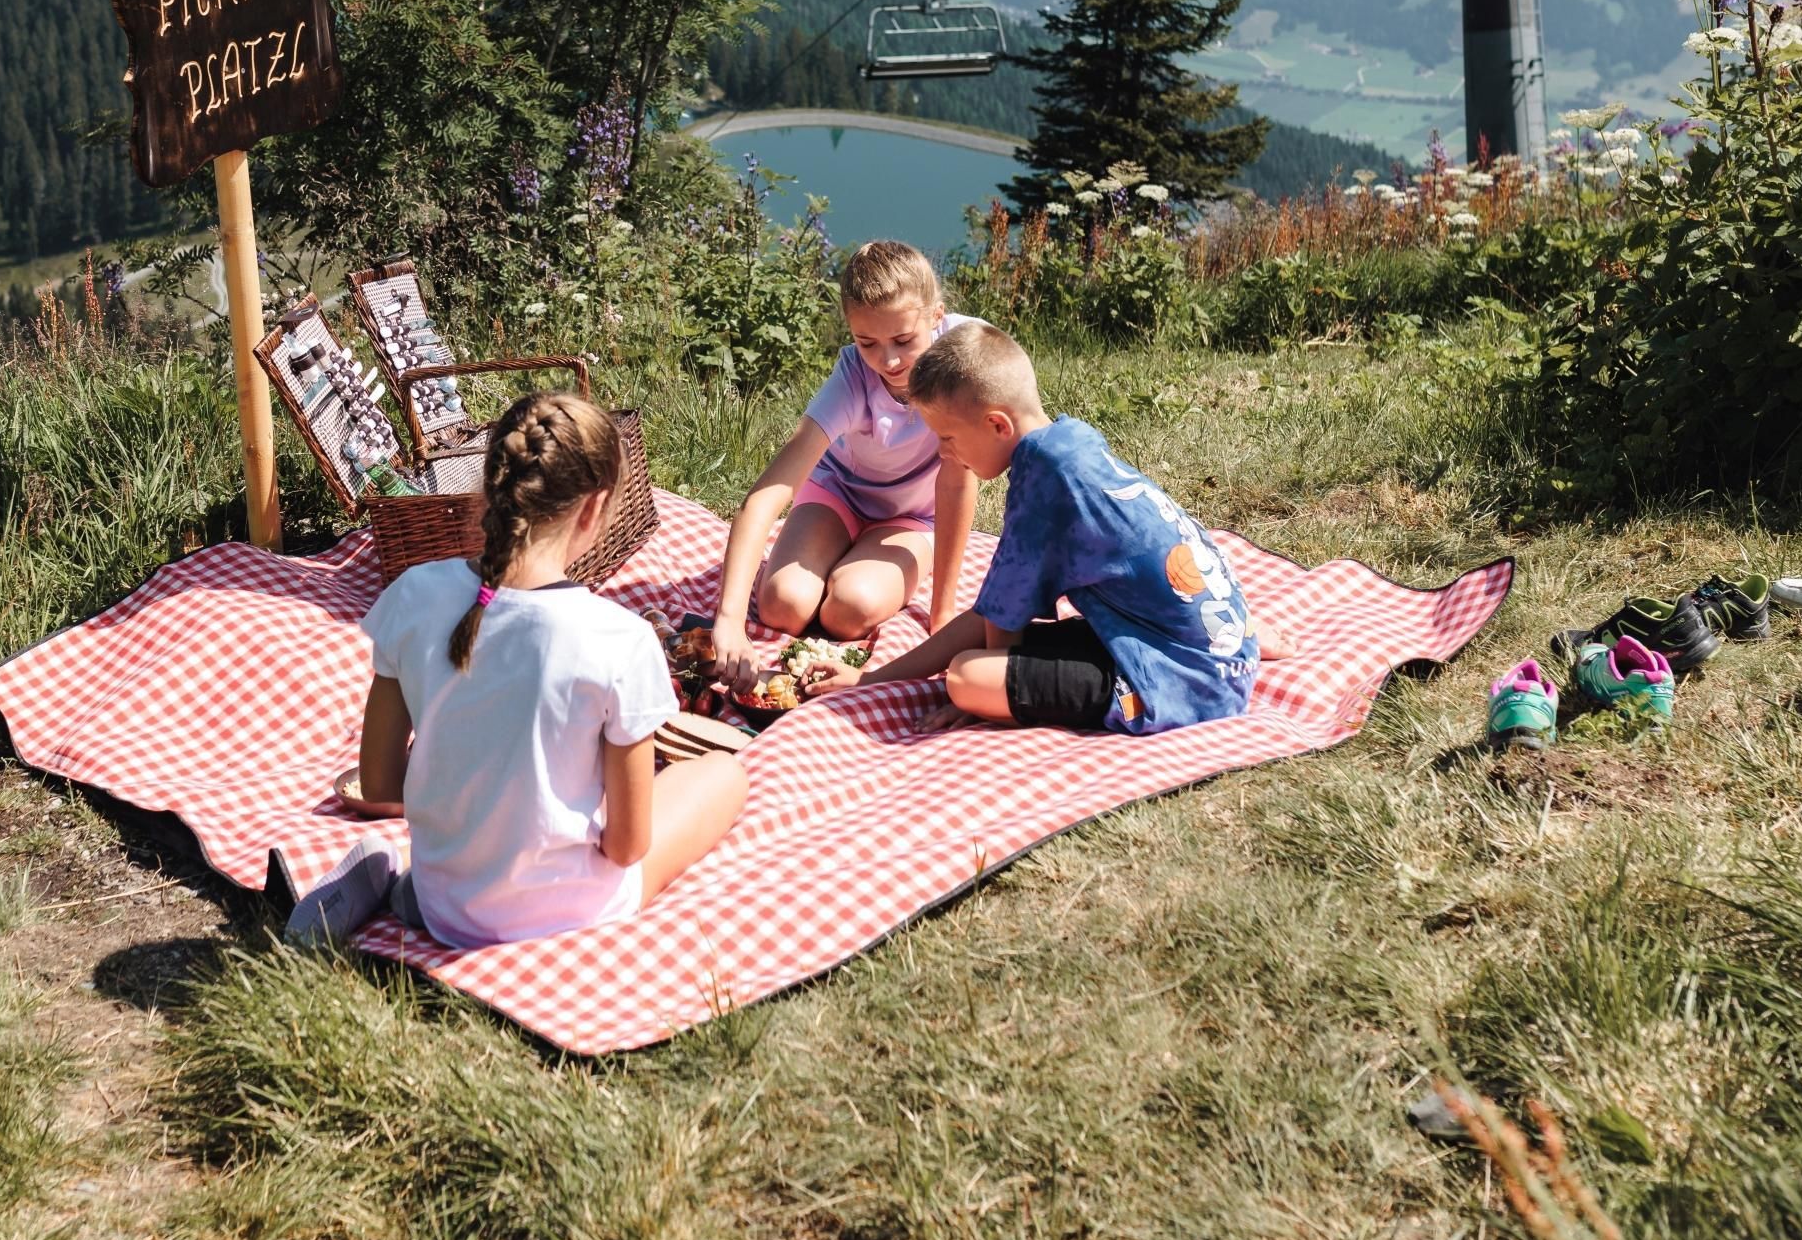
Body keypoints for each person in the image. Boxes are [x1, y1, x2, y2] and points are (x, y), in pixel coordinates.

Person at [286, 391, 748, 948]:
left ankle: (401, 874)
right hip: (571, 912)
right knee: (722, 776)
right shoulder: (619, 639)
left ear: (490, 489)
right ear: (594, 509)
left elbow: (380, 782)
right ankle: (414, 873)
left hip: (445, 904)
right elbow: (627, 847)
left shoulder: (413, 595)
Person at [797, 321, 1269, 733]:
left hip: (1184, 681)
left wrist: (992, 699)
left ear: (997, 425)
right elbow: (991, 613)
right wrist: (872, 679)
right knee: (974, 656)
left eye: (948, 437)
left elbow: (1000, 631)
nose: (944, 453)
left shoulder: (1043, 487)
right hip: (1203, 649)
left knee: (965, 677)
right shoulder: (1069, 441)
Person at [708, 240, 981, 687]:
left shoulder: (966, 359)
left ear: (936, 316)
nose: (888, 360)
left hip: (911, 516)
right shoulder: (853, 379)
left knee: (850, 609)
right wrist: (729, 620)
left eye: (904, 340)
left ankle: (853, 565)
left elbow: (958, 479)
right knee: (782, 606)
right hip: (837, 495)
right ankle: (833, 557)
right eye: (866, 342)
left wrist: (943, 612)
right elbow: (765, 497)